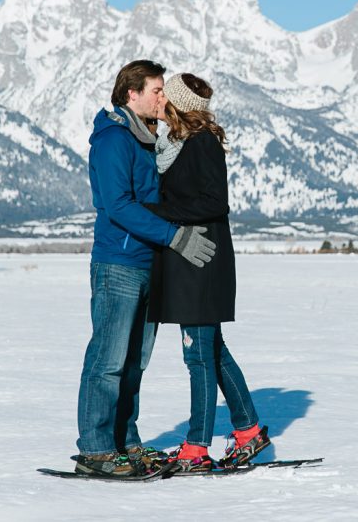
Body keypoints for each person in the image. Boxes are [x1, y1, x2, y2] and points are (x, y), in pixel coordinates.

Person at [75, 60, 218, 477]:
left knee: (134, 363)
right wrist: (175, 237)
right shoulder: (114, 140)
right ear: (131, 94)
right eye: (157, 90)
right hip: (118, 263)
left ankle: (126, 442)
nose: (163, 97)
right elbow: (118, 205)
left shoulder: (146, 138)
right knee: (108, 361)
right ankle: (96, 450)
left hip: (147, 264)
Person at [145, 73, 270, 472]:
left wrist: (156, 212)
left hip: (201, 261)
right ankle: (248, 431)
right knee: (212, 352)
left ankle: (196, 446)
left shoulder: (201, 143)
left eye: (164, 95)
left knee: (198, 356)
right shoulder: (175, 144)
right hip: (189, 262)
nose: (158, 99)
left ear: (177, 105)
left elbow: (216, 203)